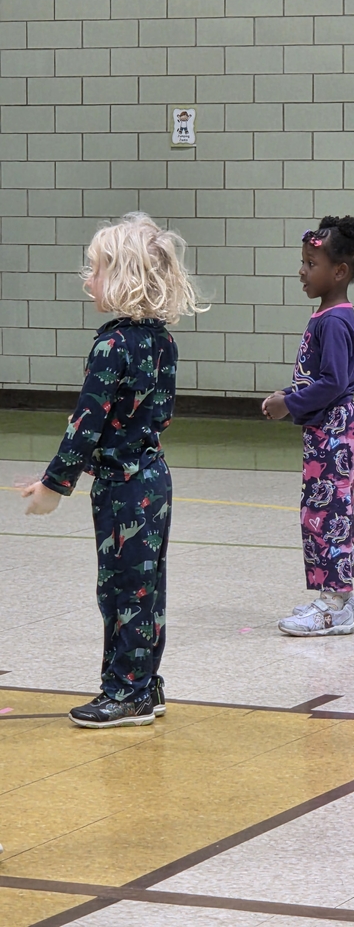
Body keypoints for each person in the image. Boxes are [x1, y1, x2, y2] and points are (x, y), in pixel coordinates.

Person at [22, 213, 207, 727]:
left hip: (123, 486)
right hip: (154, 477)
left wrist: (53, 486)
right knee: (147, 587)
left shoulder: (111, 345)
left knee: (121, 590)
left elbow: (86, 424)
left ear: (124, 276)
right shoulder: (162, 341)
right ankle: (146, 684)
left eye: (96, 268)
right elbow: (147, 413)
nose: (88, 278)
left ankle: (124, 693)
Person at [262, 216, 354, 636]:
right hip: (328, 427)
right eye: (303, 262)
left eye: (311, 263)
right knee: (324, 509)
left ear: (339, 271)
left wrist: (288, 404)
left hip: (333, 426)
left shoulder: (333, 319)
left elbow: (331, 382)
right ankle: (341, 596)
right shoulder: (329, 314)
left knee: (326, 512)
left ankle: (333, 603)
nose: (302, 271)